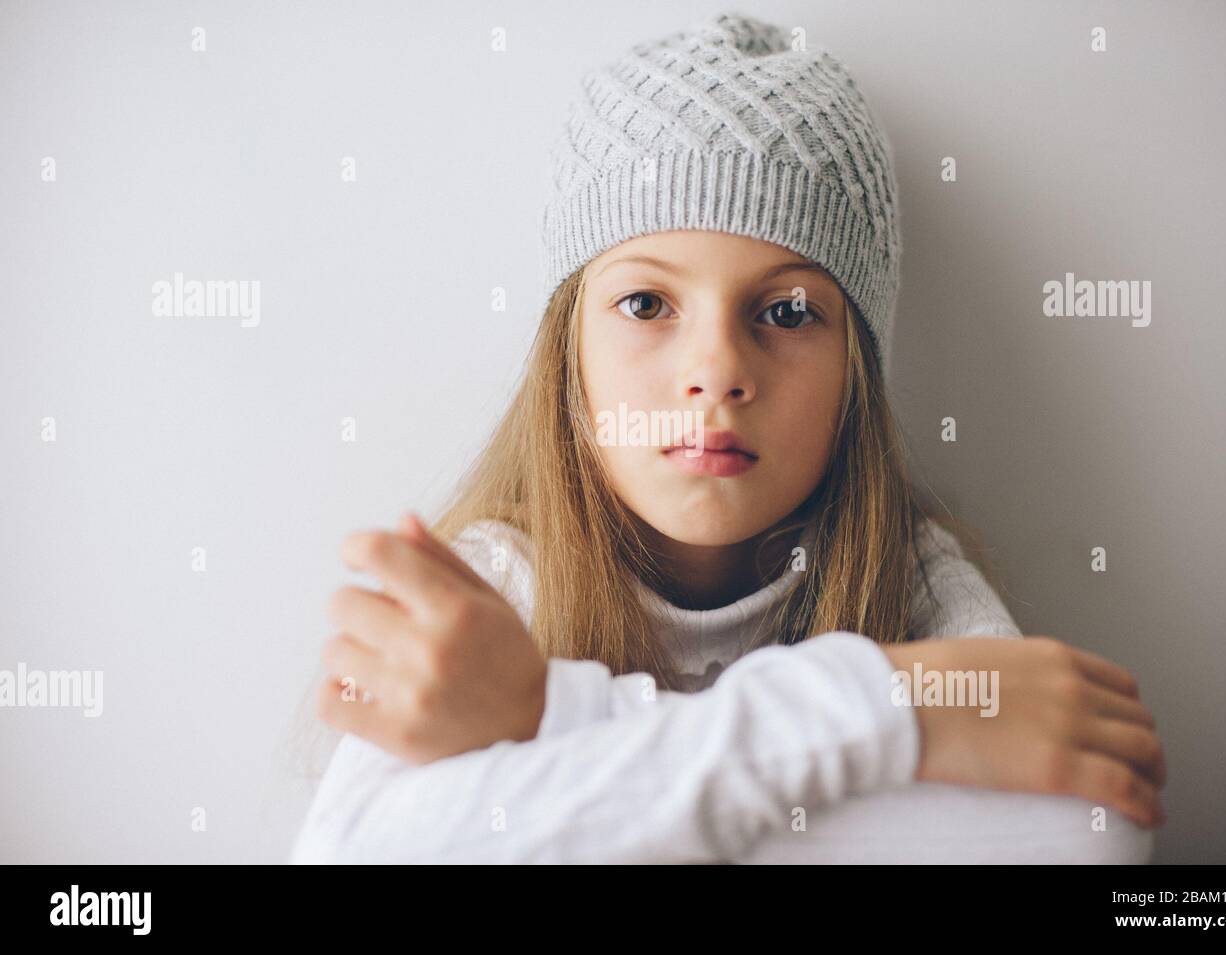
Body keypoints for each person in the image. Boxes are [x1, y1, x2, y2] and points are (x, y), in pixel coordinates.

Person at [288, 12, 1165, 863]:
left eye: (786, 311)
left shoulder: (914, 577)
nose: (716, 370)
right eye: (646, 303)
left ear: (857, 369)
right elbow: (351, 851)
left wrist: (556, 726)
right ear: (568, 354)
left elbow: (1089, 831)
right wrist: (882, 713)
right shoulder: (499, 584)